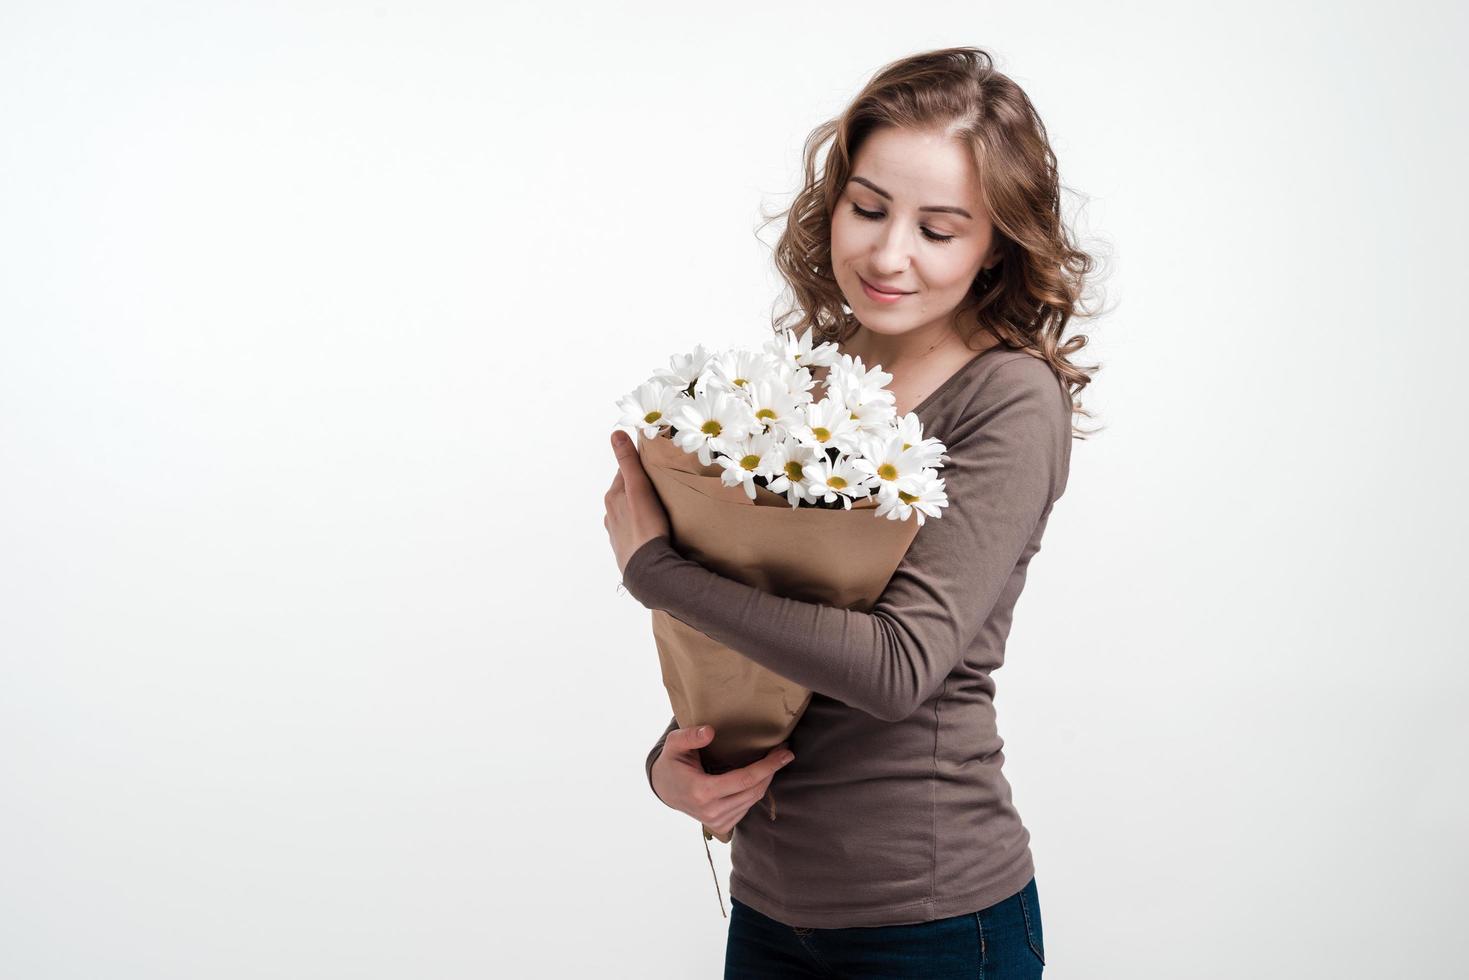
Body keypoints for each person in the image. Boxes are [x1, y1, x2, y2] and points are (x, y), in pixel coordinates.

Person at [604, 46, 1101, 978]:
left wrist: (654, 572)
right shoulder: (818, 377)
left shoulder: (1008, 397)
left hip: (930, 922)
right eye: (868, 208)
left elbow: (897, 668)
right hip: (769, 908)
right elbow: (764, 627)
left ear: (997, 241)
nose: (885, 253)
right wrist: (677, 763)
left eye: (939, 229)